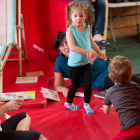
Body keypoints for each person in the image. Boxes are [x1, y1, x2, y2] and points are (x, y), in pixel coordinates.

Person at [53, 31, 140, 98]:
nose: (66, 47)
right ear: (58, 49)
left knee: (135, 79)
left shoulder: (78, 47)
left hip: (107, 66)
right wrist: (63, 89)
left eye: (67, 42)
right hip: (97, 79)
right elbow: (57, 85)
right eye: (62, 45)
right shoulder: (60, 62)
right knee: (127, 83)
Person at [63, 0, 107, 114]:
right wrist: (87, 52)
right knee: (75, 85)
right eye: (75, 16)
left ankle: (86, 104)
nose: (78, 18)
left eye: (81, 16)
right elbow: (72, 47)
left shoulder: (87, 28)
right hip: (74, 65)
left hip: (86, 63)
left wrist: (99, 52)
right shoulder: (70, 30)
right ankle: (68, 102)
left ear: (85, 16)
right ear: (71, 16)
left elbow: (91, 42)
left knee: (88, 84)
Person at [102, 56, 140, 140]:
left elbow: (106, 112)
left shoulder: (110, 92)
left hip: (129, 128)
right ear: (130, 74)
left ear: (110, 76)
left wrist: (109, 106)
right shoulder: (135, 86)